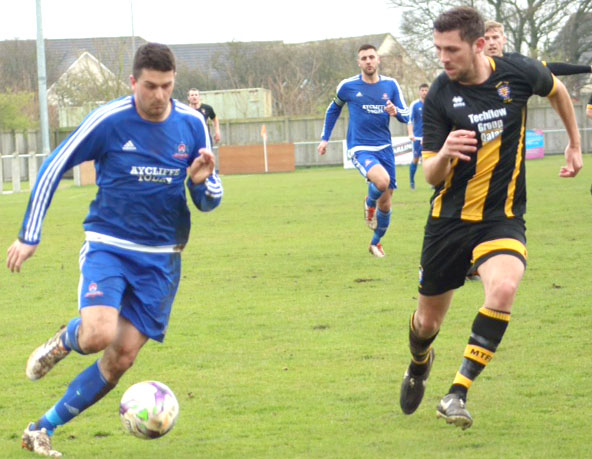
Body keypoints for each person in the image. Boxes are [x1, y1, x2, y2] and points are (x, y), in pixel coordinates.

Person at [7, 42, 223, 457]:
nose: (159, 96)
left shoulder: (193, 123)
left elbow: (211, 197)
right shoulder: (109, 120)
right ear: (133, 82)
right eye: (150, 86)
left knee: (121, 357)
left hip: (163, 259)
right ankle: (67, 339)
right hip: (110, 246)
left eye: (166, 86)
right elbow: (55, 165)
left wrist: (199, 182)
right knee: (98, 335)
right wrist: (30, 235)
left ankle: (40, 429)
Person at [398, 6, 582, 429]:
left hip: (502, 217)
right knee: (427, 323)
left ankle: (456, 393)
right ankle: (419, 363)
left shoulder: (517, 73)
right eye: (438, 49)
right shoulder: (440, 96)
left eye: (452, 49)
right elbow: (430, 174)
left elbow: (558, 91)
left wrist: (574, 144)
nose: (442, 58)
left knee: (503, 287)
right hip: (448, 223)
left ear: (479, 45)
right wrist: (445, 152)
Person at [317, 44, 409, 258]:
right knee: (382, 182)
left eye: (371, 57)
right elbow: (333, 110)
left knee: (385, 204)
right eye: (364, 58)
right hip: (360, 147)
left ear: (378, 60)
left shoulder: (391, 85)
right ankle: (368, 203)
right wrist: (324, 139)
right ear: (359, 62)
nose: (368, 61)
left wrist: (396, 112)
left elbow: (406, 114)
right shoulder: (348, 86)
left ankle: (375, 243)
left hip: (385, 148)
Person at [484, 20, 592, 76]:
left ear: (504, 39)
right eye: (486, 38)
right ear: (480, 42)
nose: (491, 43)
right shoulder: (472, 66)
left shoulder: (515, 61)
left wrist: (588, 69)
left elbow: (550, 68)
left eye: (495, 37)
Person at [407, 83, 429, 190]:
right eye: (422, 90)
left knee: (429, 159)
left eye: (426, 90)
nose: (424, 92)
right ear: (419, 92)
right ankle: (412, 182)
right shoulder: (414, 105)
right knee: (415, 159)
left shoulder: (432, 104)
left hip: (429, 137)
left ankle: (433, 183)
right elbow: (409, 120)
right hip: (417, 137)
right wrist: (411, 134)